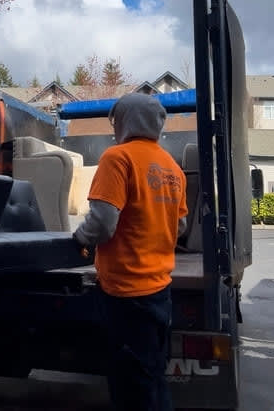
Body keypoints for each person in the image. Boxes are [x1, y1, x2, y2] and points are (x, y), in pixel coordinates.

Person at [73, 92, 188, 411]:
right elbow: (180, 227)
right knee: (151, 377)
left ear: (124, 121)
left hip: (125, 293)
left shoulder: (117, 157)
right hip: (158, 290)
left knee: (130, 388)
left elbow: (103, 222)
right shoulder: (171, 168)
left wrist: (79, 239)